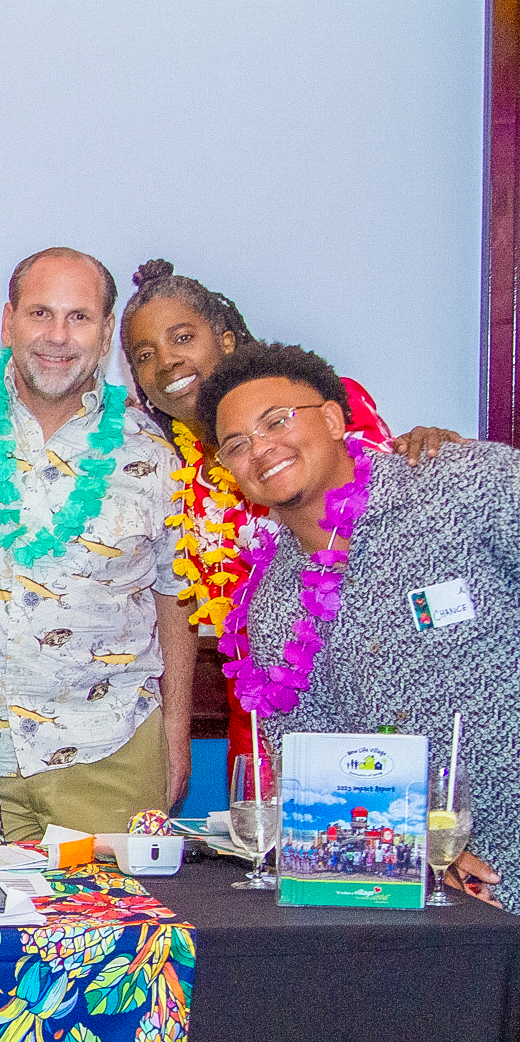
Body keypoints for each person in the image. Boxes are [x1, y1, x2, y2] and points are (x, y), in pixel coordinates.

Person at [0, 247, 192, 840]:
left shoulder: (153, 453)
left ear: (106, 332)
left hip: (109, 752)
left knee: (115, 905)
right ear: (8, 321)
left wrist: (176, 735)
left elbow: (174, 598)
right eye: (40, 313)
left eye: (79, 317)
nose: (57, 336)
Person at [197, 342, 515, 904]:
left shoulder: (462, 484)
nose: (261, 448)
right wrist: (413, 850)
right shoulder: (273, 611)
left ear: (332, 418)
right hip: (451, 895)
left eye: (276, 421)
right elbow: (321, 786)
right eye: (237, 445)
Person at [119, 259, 464, 773]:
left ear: (227, 341)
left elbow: (388, 509)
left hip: (380, 682)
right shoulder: (170, 475)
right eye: (145, 356)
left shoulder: (312, 410)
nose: (167, 361)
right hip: (260, 712)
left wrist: (433, 452)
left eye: (183, 337)